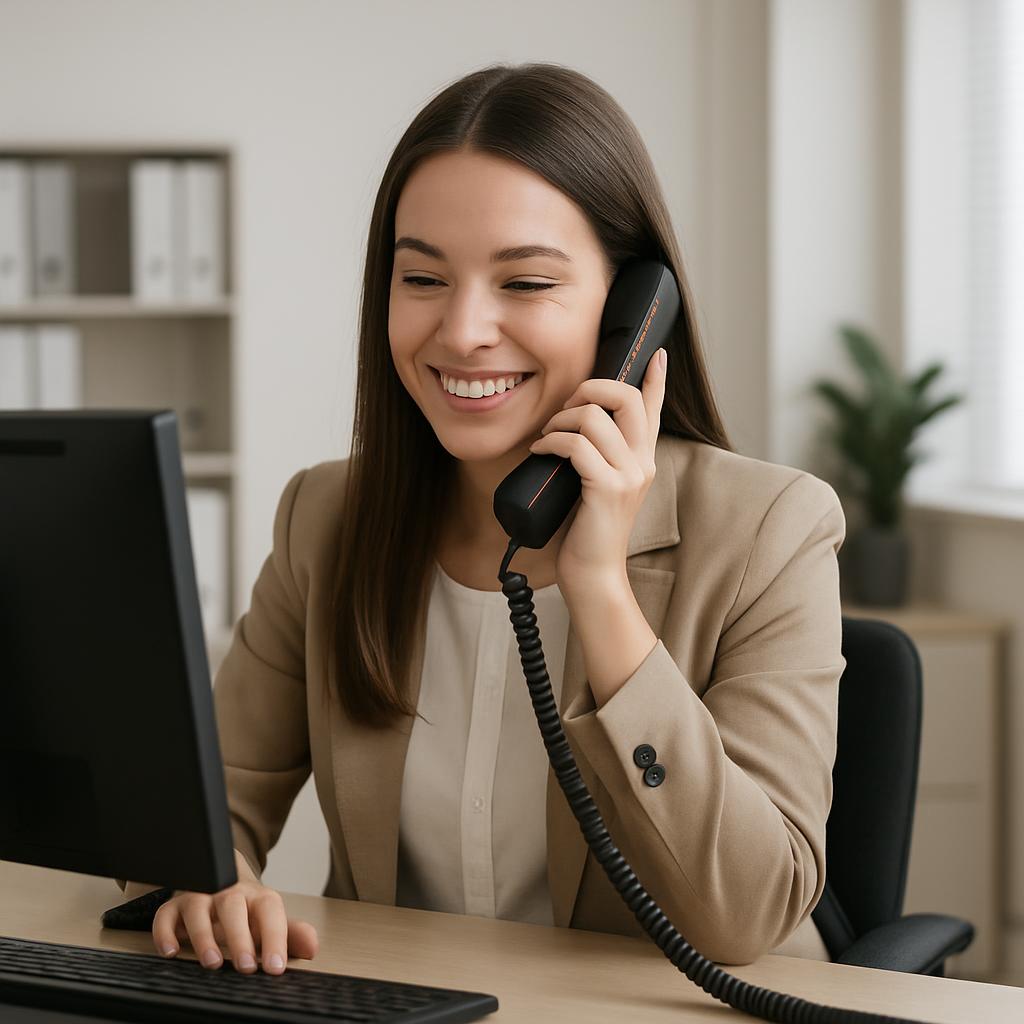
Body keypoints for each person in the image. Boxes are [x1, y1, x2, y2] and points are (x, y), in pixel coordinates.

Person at [117, 61, 846, 977]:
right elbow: (201, 803)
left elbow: (746, 916)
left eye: (527, 284)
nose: (462, 330)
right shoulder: (327, 518)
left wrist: (600, 591)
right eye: (422, 277)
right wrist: (211, 881)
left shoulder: (770, 529)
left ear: (635, 311)